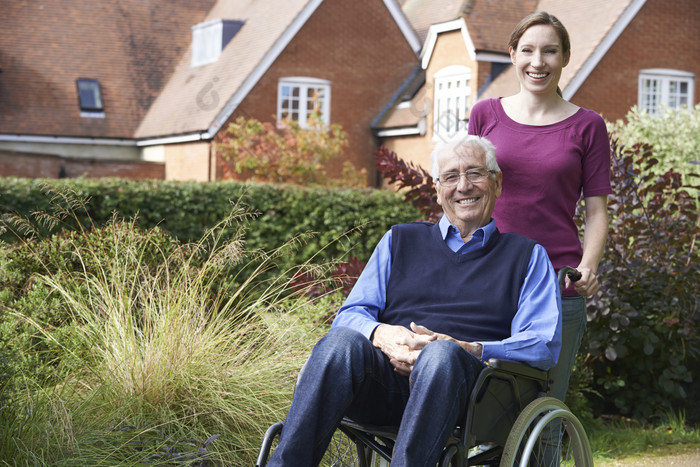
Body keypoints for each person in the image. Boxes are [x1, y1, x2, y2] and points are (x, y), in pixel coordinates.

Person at [267, 134, 562, 466]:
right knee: (339, 343)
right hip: (385, 384)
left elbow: (542, 344)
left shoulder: (527, 256)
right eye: (451, 176)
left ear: (497, 183)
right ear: (438, 190)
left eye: (475, 173)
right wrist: (384, 335)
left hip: (471, 396)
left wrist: (471, 348)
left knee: (440, 355)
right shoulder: (399, 240)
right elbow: (350, 315)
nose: (463, 186)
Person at [467, 11, 612, 407]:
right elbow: (467, 194)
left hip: (556, 284)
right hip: (489, 279)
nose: (538, 62)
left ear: (565, 57)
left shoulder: (588, 126)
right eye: (528, 50)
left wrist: (589, 267)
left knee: (541, 410)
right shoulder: (485, 114)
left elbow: (597, 210)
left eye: (550, 51)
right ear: (512, 54)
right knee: (479, 407)